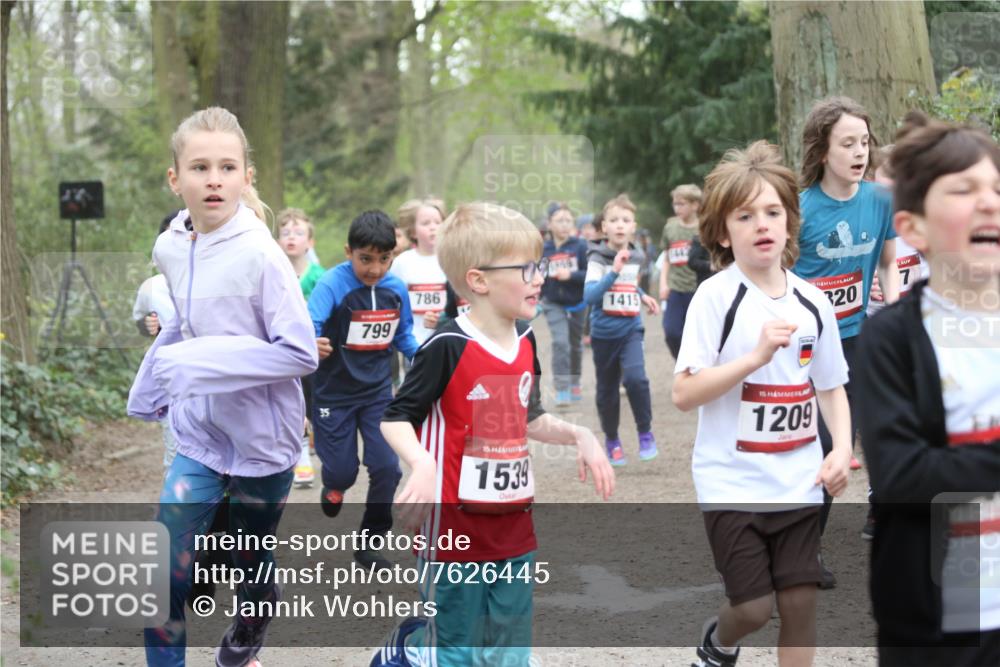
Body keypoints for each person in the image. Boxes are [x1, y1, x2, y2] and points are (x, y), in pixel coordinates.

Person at [373, 202, 614, 667]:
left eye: (538, 265)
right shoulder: (447, 345)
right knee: (458, 653)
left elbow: (531, 417)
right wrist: (421, 464)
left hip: (515, 528)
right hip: (453, 533)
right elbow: (394, 417)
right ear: (479, 280)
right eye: (526, 268)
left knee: (509, 653)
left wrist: (579, 434)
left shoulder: (525, 340)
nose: (539, 276)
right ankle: (407, 652)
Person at [127, 107, 318, 667]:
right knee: (162, 576)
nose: (213, 179)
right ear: (175, 178)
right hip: (199, 439)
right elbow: (183, 326)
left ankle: (244, 640)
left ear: (245, 178)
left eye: (227, 167)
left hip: (263, 444)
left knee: (250, 570)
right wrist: (156, 380)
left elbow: (299, 353)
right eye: (200, 166)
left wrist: (202, 364)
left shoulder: (263, 256)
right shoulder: (169, 247)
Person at [673, 140, 851, 667]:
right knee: (752, 609)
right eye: (745, 215)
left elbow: (831, 386)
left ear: (790, 222)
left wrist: (840, 448)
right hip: (732, 483)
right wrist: (752, 359)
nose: (762, 224)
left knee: (800, 605)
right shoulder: (716, 297)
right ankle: (718, 643)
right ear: (724, 231)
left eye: (772, 211)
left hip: (799, 481)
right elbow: (684, 393)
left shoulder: (813, 302)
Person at [855, 112, 1000, 667]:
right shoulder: (891, 339)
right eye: (964, 190)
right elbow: (901, 476)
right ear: (913, 229)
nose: (988, 201)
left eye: (996, 187)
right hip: (944, 612)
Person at [793, 97, 900, 585]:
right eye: (848, 144)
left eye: (864, 142)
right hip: (801, 346)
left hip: (855, 339)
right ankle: (798, 547)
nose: (860, 152)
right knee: (811, 447)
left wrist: (895, 313)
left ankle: (815, 544)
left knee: (846, 440)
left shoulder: (880, 200)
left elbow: (888, 260)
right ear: (822, 152)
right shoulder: (798, 207)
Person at [306, 210, 420, 571]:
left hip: (377, 393)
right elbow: (308, 325)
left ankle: (369, 544)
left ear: (393, 256)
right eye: (365, 259)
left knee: (388, 467)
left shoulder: (395, 288)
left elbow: (403, 336)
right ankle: (334, 485)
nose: (374, 268)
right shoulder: (331, 284)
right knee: (342, 472)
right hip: (332, 393)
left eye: (384, 259)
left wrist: (429, 359)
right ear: (348, 252)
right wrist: (313, 342)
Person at [584, 194, 661, 465]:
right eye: (614, 220)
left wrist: (642, 295)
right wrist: (613, 271)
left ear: (633, 226)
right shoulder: (597, 257)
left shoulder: (637, 255)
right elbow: (591, 296)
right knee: (607, 390)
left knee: (636, 379)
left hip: (631, 329)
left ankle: (645, 433)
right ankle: (612, 439)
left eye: (625, 220)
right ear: (604, 227)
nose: (620, 225)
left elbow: (628, 283)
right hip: (604, 335)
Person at [276, 207, 325, 488]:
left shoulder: (320, 276)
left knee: (316, 407)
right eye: (285, 233)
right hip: (285, 351)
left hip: (318, 353)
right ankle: (301, 457)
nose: (291, 238)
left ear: (310, 241)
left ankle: (319, 449)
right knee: (295, 404)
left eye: (298, 232)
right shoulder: (274, 272)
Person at [132, 212, 179, 469]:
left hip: (211, 376)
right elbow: (140, 321)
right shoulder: (152, 287)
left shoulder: (215, 278)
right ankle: (177, 508)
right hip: (170, 378)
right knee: (176, 451)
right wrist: (148, 325)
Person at [866, 144, 930, 318]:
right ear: (870, 180)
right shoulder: (861, 224)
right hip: (872, 324)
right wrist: (864, 283)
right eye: (891, 175)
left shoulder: (927, 224)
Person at [541, 203, 588, 405]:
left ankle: (575, 381)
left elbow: (590, 275)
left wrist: (571, 275)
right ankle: (562, 388)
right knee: (561, 342)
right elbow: (537, 274)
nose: (564, 224)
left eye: (568, 220)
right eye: (559, 220)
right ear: (549, 224)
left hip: (578, 302)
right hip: (553, 303)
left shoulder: (580, 246)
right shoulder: (544, 249)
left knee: (576, 345)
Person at [390, 197, 448, 346]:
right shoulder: (402, 262)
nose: (433, 227)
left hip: (449, 341)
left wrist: (443, 318)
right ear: (413, 232)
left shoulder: (453, 260)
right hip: (415, 344)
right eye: (425, 223)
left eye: (437, 222)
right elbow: (391, 301)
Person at [659, 184, 703, 359]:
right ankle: (682, 362)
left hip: (697, 289)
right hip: (676, 288)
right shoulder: (670, 228)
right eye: (675, 204)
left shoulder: (703, 228)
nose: (677, 208)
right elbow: (667, 258)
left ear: (695, 205)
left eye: (682, 204)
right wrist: (663, 283)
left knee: (695, 333)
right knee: (671, 332)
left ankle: (697, 368)